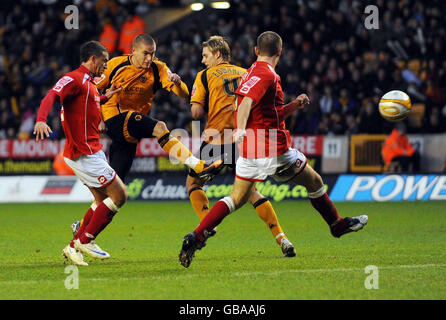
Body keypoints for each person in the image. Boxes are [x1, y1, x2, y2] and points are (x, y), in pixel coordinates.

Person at [179, 31, 368, 268]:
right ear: (280, 52)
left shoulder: (250, 72)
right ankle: (336, 225)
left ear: (257, 51)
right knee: (315, 182)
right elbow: (245, 102)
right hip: (273, 148)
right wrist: (238, 129)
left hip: (250, 149)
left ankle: (195, 236)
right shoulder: (265, 73)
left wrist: (293, 106)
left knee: (236, 198)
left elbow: (265, 110)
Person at [187, 35, 296, 257]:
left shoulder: (204, 75)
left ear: (218, 54)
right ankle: (282, 238)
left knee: (193, 182)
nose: (202, 60)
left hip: (217, 138)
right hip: (245, 138)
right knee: (252, 192)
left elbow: (196, 113)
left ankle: (207, 225)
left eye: (205, 55)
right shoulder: (247, 72)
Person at [34, 41, 126, 266]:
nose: (105, 65)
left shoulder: (90, 84)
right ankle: (86, 239)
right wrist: (40, 120)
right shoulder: (75, 78)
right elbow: (51, 96)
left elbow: (89, 104)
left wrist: (107, 95)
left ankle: (73, 247)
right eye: (104, 61)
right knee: (119, 196)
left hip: (89, 151)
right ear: (92, 59)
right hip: (84, 152)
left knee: (101, 199)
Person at [95, 33, 222, 183]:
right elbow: (91, 91)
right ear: (133, 50)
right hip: (113, 117)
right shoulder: (115, 65)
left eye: (152, 53)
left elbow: (184, 93)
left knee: (116, 189)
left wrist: (177, 82)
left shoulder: (158, 68)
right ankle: (198, 166)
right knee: (160, 127)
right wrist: (99, 120)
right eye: (146, 54)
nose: (149, 58)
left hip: (131, 128)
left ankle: (101, 204)